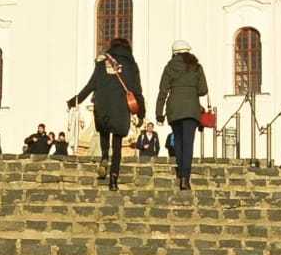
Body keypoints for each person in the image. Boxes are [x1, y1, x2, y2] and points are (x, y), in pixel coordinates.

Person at [71, 37, 143, 189]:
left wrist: (75, 100)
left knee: (104, 133)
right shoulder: (131, 65)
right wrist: (141, 113)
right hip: (120, 109)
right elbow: (137, 91)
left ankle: (104, 157)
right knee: (117, 146)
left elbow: (91, 85)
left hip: (102, 106)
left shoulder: (103, 62)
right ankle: (113, 179)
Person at [155, 42, 210, 191]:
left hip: (174, 109)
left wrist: (159, 113)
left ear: (174, 53)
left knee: (178, 143)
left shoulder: (169, 67)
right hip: (191, 110)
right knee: (188, 144)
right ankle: (185, 178)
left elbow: (163, 91)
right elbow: (203, 90)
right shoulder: (197, 67)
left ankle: (181, 173)